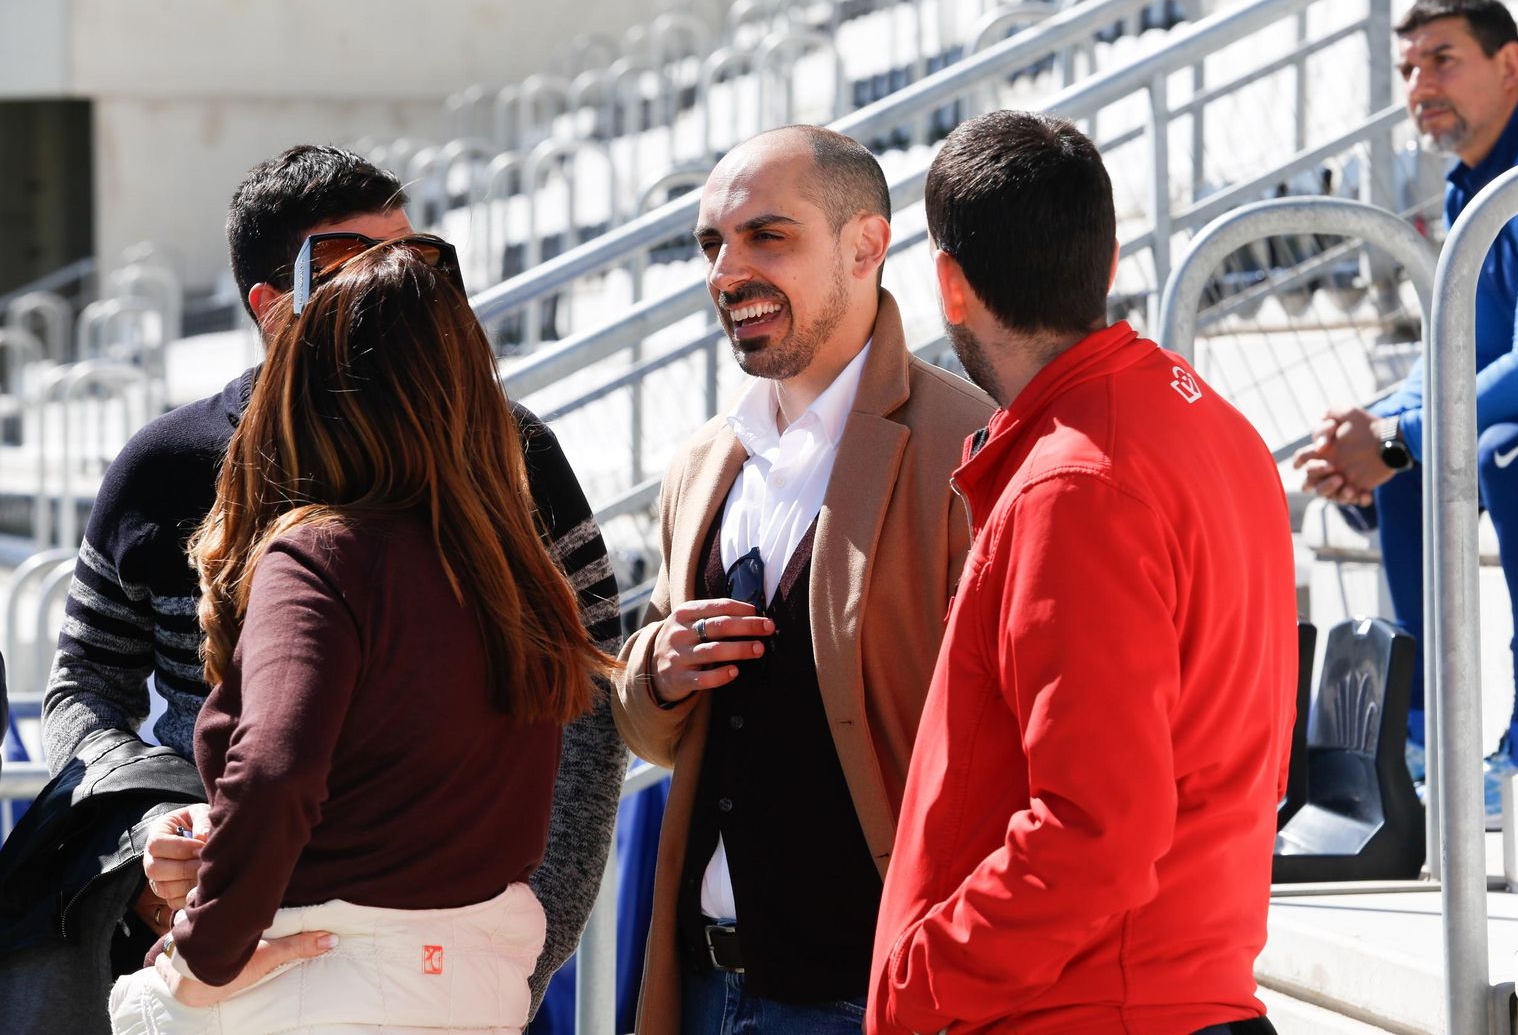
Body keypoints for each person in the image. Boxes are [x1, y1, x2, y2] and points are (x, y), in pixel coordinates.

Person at [31, 146, 625, 1029]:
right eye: (358, 267)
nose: (402, 294)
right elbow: (84, 688)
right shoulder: (163, 465)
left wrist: (522, 946)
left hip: (426, 959)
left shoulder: (511, 457)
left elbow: (587, 697)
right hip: (259, 946)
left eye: (414, 263)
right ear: (270, 308)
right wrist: (152, 837)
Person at [869, 111, 1298, 1034]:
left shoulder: (1077, 481)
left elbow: (1094, 833)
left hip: (1093, 1005)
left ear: (949, 285)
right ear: (1105, 265)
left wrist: (921, 985)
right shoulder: (1209, 424)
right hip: (1159, 988)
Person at [610, 125, 994, 1035]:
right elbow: (645, 724)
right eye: (713, 244)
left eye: (765, 237)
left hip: (874, 993)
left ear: (867, 246)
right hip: (703, 987)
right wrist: (660, 669)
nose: (725, 271)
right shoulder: (706, 459)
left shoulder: (969, 447)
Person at [1292, 0, 1518, 818]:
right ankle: (1416, 735)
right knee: (1414, 458)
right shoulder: (1479, 178)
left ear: (1510, 64)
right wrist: (1368, 429)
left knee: (1503, 453)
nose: (1421, 83)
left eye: (1443, 60)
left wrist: (1397, 437)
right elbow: (1468, 357)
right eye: (1408, 68)